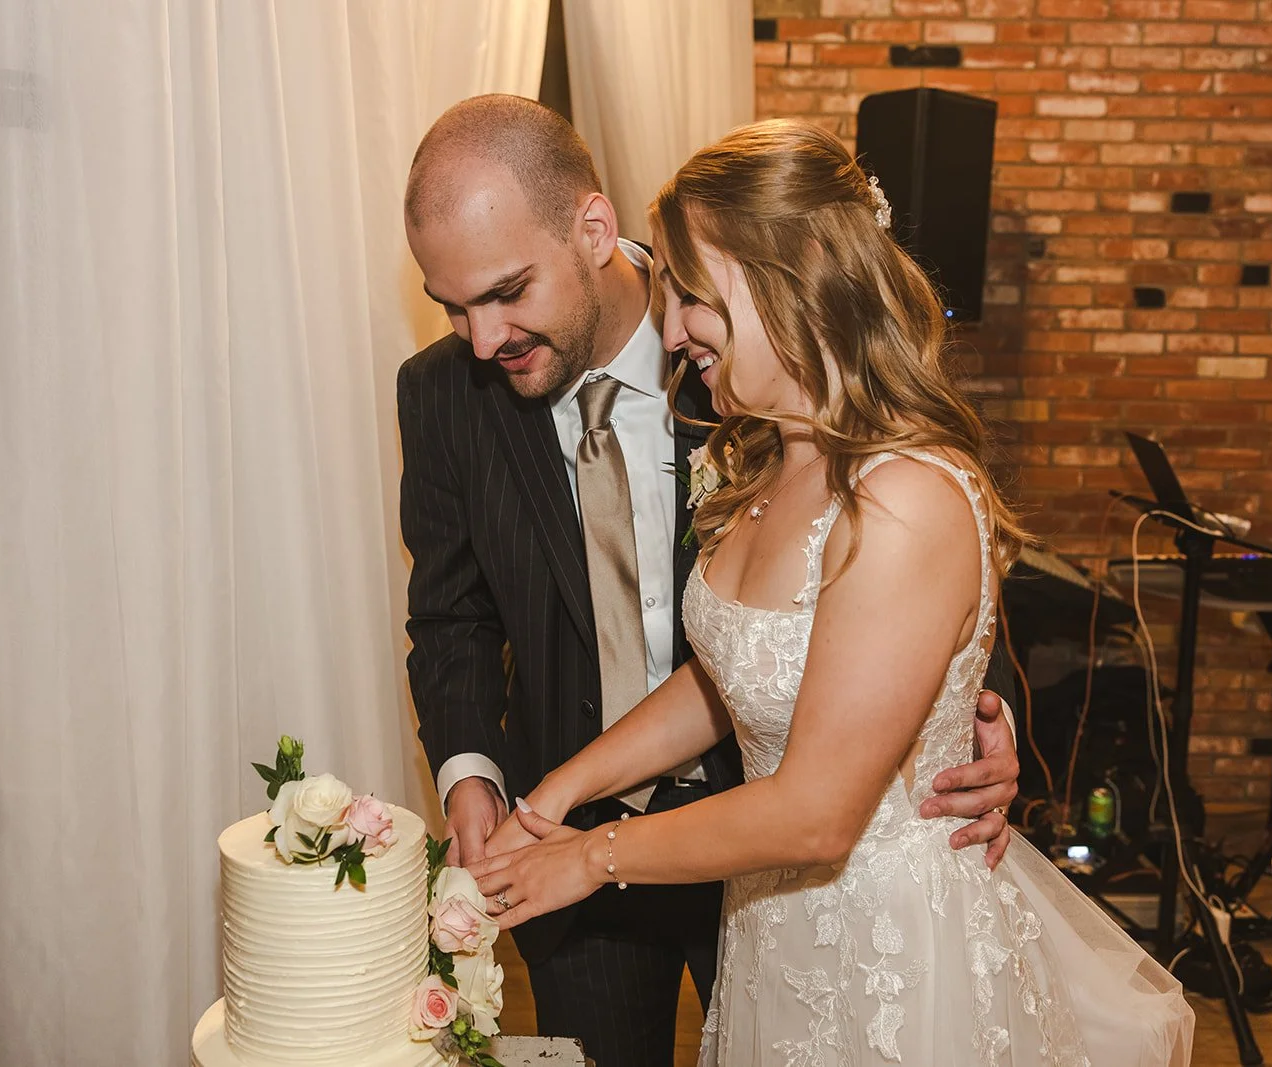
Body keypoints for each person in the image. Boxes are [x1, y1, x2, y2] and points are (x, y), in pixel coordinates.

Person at [467, 120, 1196, 1065]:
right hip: (775, 934)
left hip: (891, 959)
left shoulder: (905, 495)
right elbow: (729, 675)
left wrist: (588, 857)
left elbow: (818, 810)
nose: (673, 326)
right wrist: (556, 795)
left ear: (793, 270)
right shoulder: (763, 455)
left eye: (693, 293)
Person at [398, 96, 1024, 1067]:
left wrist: (966, 717)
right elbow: (737, 651)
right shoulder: (771, 437)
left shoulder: (751, 400)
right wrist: (538, 799)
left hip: (836, 888)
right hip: (682, 888)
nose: (481, 340)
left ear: (594, 232)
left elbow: (918, 625)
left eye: (508, 291)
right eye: (452, 306)